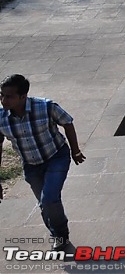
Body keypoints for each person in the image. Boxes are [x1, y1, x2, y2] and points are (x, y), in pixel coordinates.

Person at [0, 74, 86, 252]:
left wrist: (75, 150)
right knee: (45, 203)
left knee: (49, 199)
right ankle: (57, 233)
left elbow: (67, 123)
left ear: (23, 96)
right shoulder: (1, 118)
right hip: (31, 165)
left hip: (56, 157)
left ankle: (60, 236)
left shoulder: (46, 106)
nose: (3, 100)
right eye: (1, 95)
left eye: (8, 96)